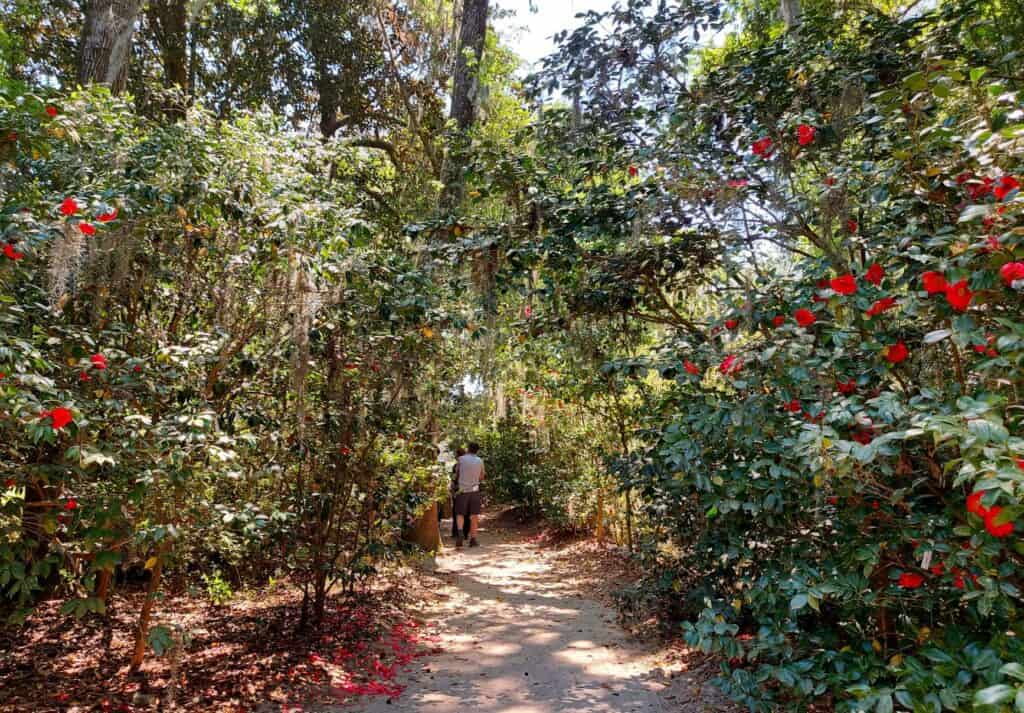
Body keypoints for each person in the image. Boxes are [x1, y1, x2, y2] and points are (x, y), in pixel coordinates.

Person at [454, 442, 485, 548]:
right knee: (474, 515)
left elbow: (457, 474)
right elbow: (482, 476)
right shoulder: (480, 461)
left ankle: (460, 533)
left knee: (460, 514)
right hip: (475, 490)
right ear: (477, 450)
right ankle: (473, 539)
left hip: (462, 490)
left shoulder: (461, 459)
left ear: (468, 449)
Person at [450, 447, 470, 540]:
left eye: (455, 454)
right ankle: (465, 533)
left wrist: (452, 490)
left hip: (459, 490)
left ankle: (457, 532)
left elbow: (454, 479)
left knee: (457, 512)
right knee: (467, 512)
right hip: (469, 490)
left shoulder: (456, 466)